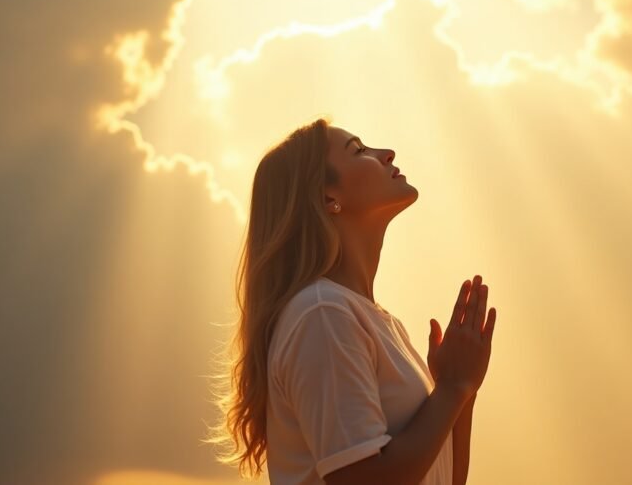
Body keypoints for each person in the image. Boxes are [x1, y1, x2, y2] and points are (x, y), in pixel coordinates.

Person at [205, 117, 498, 485]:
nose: (386, 153)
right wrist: (452, 387)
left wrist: (461, 390)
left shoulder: (374, 320)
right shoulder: (322, 314)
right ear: (328, 198)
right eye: (359, 151)